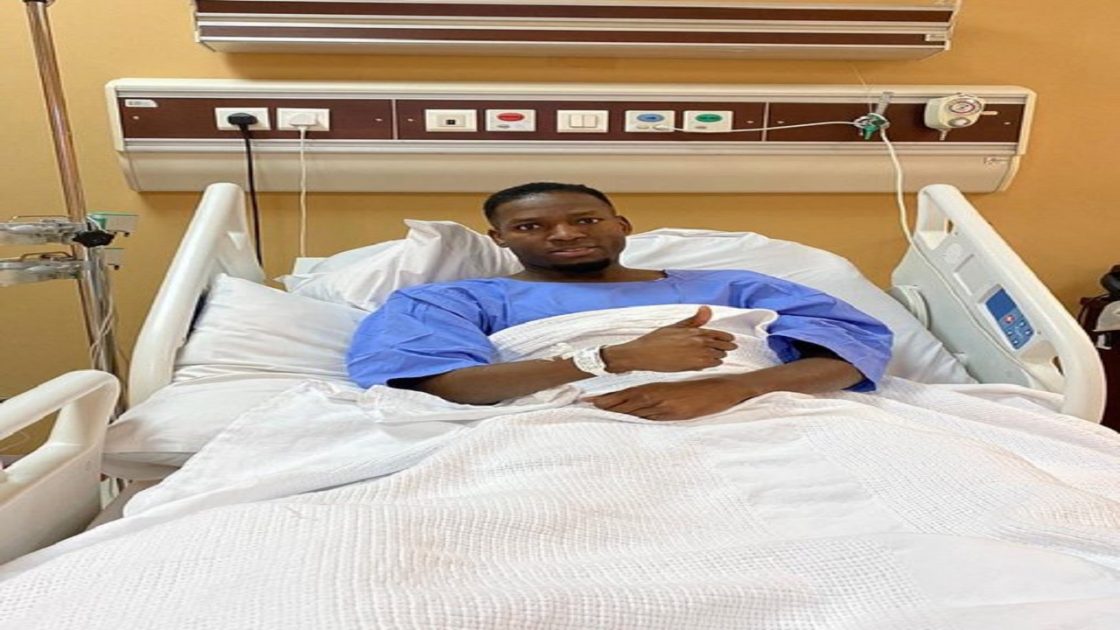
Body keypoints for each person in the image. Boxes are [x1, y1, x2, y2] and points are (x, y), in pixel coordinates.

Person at [347, 182, 892, 421]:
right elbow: (441, 388)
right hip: (566, 423)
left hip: (766, 410)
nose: (564, 234)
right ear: (500, 239)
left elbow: (850, 354)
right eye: (532, 226)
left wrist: (731, 388)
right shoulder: (448, 301)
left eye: (585, 220)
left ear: (622, 225)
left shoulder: (737, 286)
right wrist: (612, 359)